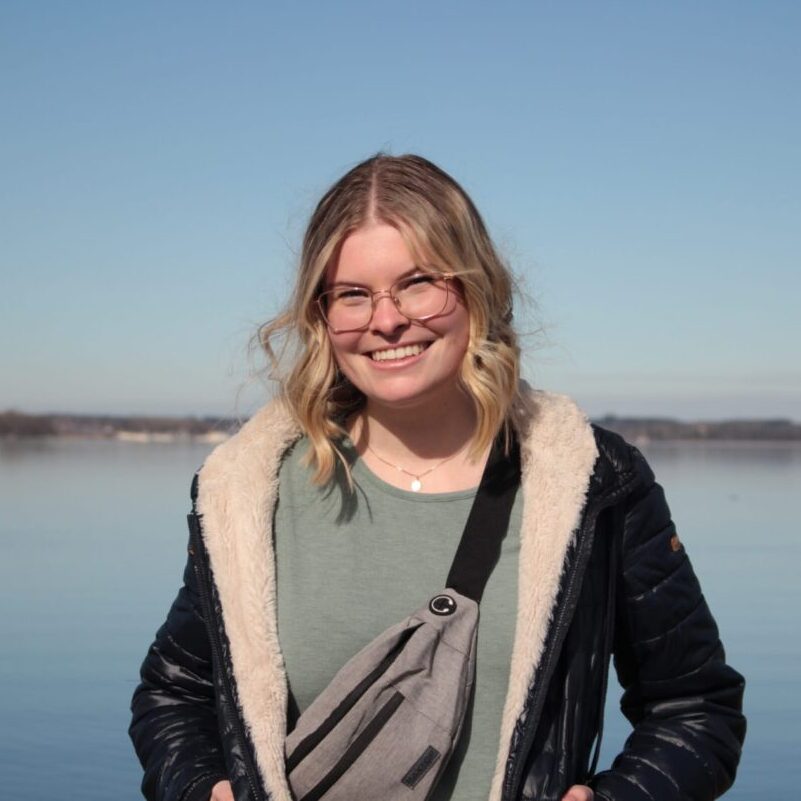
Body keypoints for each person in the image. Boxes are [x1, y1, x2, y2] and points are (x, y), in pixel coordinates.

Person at [130, 154, 746, 801]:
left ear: (476, 287)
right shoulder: (251, 491)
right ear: (320, 314)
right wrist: (203, 789)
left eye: (418, 283)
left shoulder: (594, 484)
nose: (386, 319)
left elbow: (696, 709)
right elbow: (174, 694)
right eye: (353, 294)